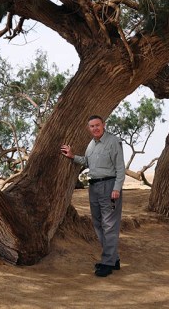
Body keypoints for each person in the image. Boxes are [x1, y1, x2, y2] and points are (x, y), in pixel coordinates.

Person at [60, 115, 125, 277]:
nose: (95, 128)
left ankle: (107, 263)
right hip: (94, 186)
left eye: (97, 125)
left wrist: (117, 188)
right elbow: (88, 162)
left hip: (109, 186)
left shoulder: (113, 142)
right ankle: (113, 259)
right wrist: (72, 156)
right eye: (92, 126)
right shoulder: (91, 145)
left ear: (103, 125)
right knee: (98, 224)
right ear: (88, 128)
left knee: (110, 225)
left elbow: (120, 168)